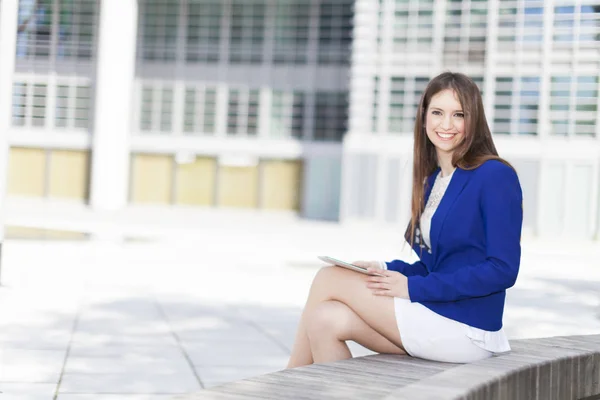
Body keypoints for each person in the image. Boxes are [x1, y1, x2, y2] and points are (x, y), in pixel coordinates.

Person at [286, 72, 523, 367]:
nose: (446, 124)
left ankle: (286, 380)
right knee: (325, 319)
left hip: (466, 328)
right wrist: (384, 268)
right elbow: (434, 266)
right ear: (424, 117)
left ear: (473, 120)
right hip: (437, 315)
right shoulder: (434, 181)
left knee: (328, 278)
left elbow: (502, 269)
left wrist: (412, 289)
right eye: (437, 112)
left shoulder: (494, 175)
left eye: (458, 114)